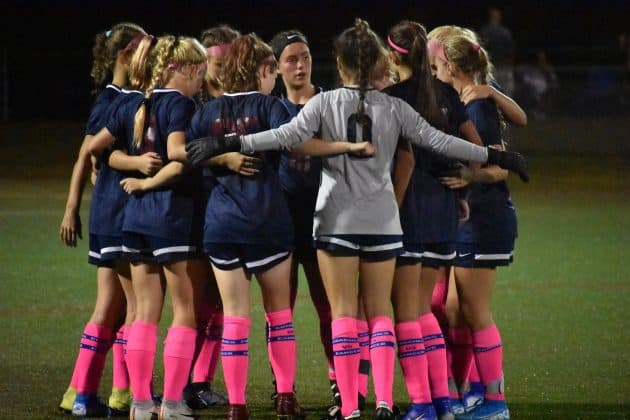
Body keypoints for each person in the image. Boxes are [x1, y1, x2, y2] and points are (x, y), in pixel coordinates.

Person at [186, 18, 528, 420]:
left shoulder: (323, 102)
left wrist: (228, 141)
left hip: (336, 221)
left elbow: (283, 137)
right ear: (377, 63)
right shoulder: (395, 106)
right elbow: (439, 140)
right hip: (383, 221)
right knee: (380, 313)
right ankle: (383, 401)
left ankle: (348, 406)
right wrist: (497, 156)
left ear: (338, 62)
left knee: (344, 313)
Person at [88, 34, 209, 420]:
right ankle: (171, 403)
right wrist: (216, 152)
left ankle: (140, 403)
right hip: (171, 215)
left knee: (143, 313)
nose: (201, 81)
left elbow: (100, 148)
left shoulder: (136, 101)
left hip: (135, 218)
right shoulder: (182, 104)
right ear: (187, 69)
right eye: (200, 73)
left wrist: (126, 168)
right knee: (185, 311)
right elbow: (176, 153)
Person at [383, 19, 489, 420]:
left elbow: (397, 160)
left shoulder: (391, 98)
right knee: (423, 311)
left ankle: (424, 404)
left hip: (407, 211)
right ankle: (443, 401)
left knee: (407, 313)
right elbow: (477, 151)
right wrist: (464, 183)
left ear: (392, 56)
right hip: (443, 212)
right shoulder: (445, 94)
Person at [57, 22, 152, 418]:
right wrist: (71, 207)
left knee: (114, 307)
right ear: (126, 56)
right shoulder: (115, 100)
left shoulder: (123, 96)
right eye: (145, 46)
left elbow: (93, 157)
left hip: (111, 211)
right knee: (130, 307)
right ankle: (120, 392)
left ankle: (79, 392)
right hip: (118, 212)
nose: (151, 52)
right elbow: (86, 154)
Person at [430, 28, 519, 420]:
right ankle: (476, 391)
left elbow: (498, 168)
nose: (433, 72)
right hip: (470, 219)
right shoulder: (463, 99)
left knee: (476, 312)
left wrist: (468, 176)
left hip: (484, 218)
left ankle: (496, 402)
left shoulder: (478, 104)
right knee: (455, 309)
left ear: (449, 65)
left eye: (435, 65)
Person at [269, 29, 338, 403]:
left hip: (323, 220)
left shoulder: (330, 103)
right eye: (291, 59)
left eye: (306, 57)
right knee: (281, 309)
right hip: (282, 222)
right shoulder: (270, 108)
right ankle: (283, 389)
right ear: (277, 66)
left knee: (329, 307)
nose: (300, 65)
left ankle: (339, 380)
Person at [181, 24, 241, 410]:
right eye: (217, 62)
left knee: (219, 301)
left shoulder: (240, 102)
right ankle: (183, 383)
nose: (223, 68)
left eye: (228, 60)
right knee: (195, 301)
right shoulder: (192, 105)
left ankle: (201, 381)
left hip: (231, 212)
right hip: (195, 210)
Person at [479, 7, 515, 96]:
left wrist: (510, 63)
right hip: (491, 66)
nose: (495, 17)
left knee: (507, 90)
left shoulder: (505, 31)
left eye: (497, 15)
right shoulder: (485, 31)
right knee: (491, 90)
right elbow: (481, 48)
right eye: (493, 15)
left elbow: (510, 48)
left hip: (504, 66)